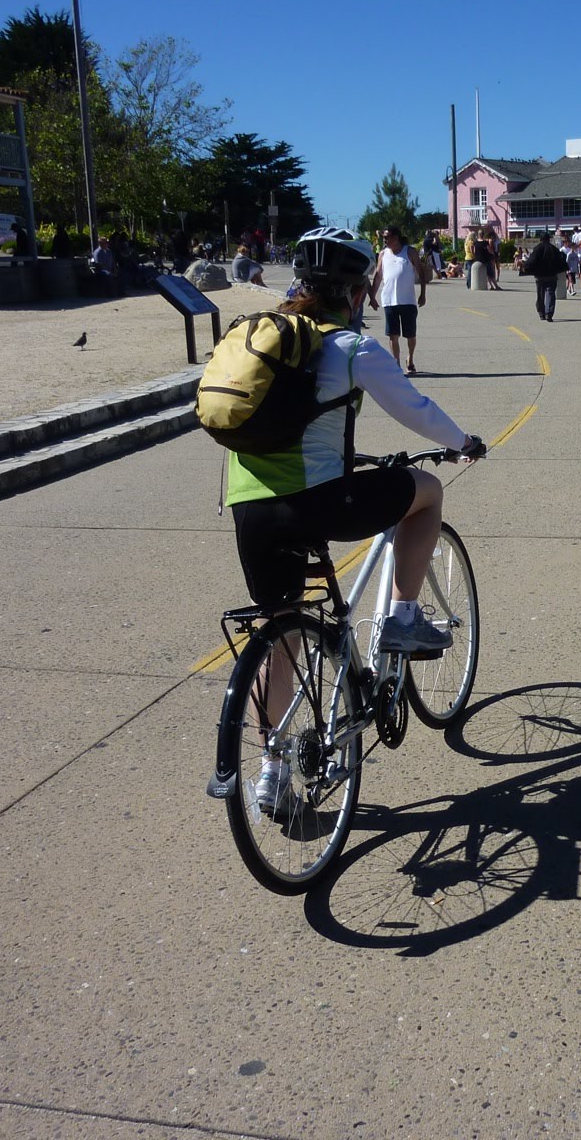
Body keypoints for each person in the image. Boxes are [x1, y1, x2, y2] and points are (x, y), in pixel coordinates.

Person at [227, 228, 486, 815]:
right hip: (321, 499)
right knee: (427, 490)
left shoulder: (263, 339)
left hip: (249, 506)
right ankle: (400, 619)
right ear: (358, 289)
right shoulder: (350, 347)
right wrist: (463, 441)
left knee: (283, 627)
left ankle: (271, 768)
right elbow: (415, 409)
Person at [368, 225, 430, 375]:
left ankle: (410, 358)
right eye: (383, 237)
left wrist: (422, 294)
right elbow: (378, 276)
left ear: (396, 238)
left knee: (410, 335)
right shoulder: (383, 254)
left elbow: (421, 273)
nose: (384, 240)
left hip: (407, 300)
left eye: (387, 237)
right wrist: (372, 297)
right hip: (389, 300)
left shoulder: (409, 252)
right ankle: (396, 365)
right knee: (392, 334)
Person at [523, 229, 566, 321]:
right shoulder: (554, 249)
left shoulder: (537, 248)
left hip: (540, 276)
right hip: (552, 276)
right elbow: (561, 261)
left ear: (541, 239)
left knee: (540, 295)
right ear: (549, 239)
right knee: (550, 294)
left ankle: (541, 313)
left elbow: (532, 261)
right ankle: (549, 314)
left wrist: (524, 266)